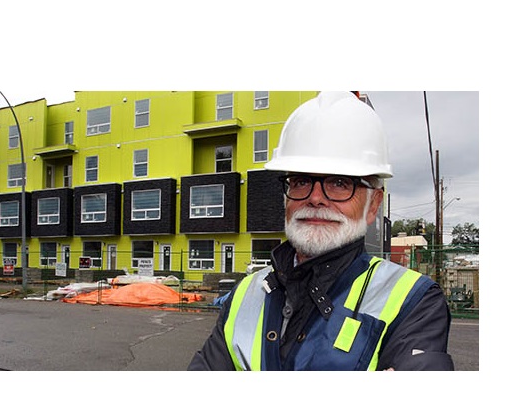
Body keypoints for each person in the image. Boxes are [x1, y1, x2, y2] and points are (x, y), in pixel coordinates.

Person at [188, 91, 454, 371]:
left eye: (340, 183)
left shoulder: (415, 301)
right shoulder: (244, 294)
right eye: (301, 181)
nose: (315, 197)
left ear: (373, 204)